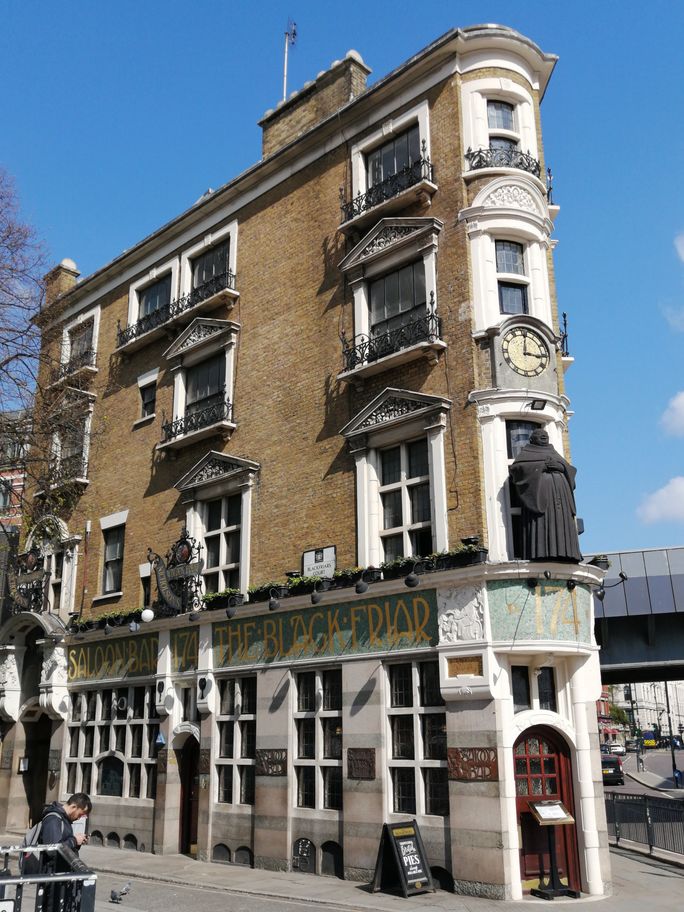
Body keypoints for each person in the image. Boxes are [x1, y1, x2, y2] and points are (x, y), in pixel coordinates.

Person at [509, 427, 582, 562]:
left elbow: (571, 470)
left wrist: (561, 467)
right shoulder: (526, 453)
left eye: (545, 434)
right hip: (541, 497)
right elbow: (516, 469)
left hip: (560, 497)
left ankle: (566, 553)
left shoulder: (554, 453)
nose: (543, 435)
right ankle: (541, 552)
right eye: (539, 434)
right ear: (531, 439)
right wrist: (541, 467)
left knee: (560, 522)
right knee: (543, 523)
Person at [39, 793, 91, 871]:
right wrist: (74, 841)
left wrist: (77, 843)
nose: (79, 818)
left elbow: (63, 843)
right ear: (73, 806)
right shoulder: (53, 819)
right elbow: (52, 850)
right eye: (80, 814)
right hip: (52, 875)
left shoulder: (64, 819)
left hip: (61, 872)